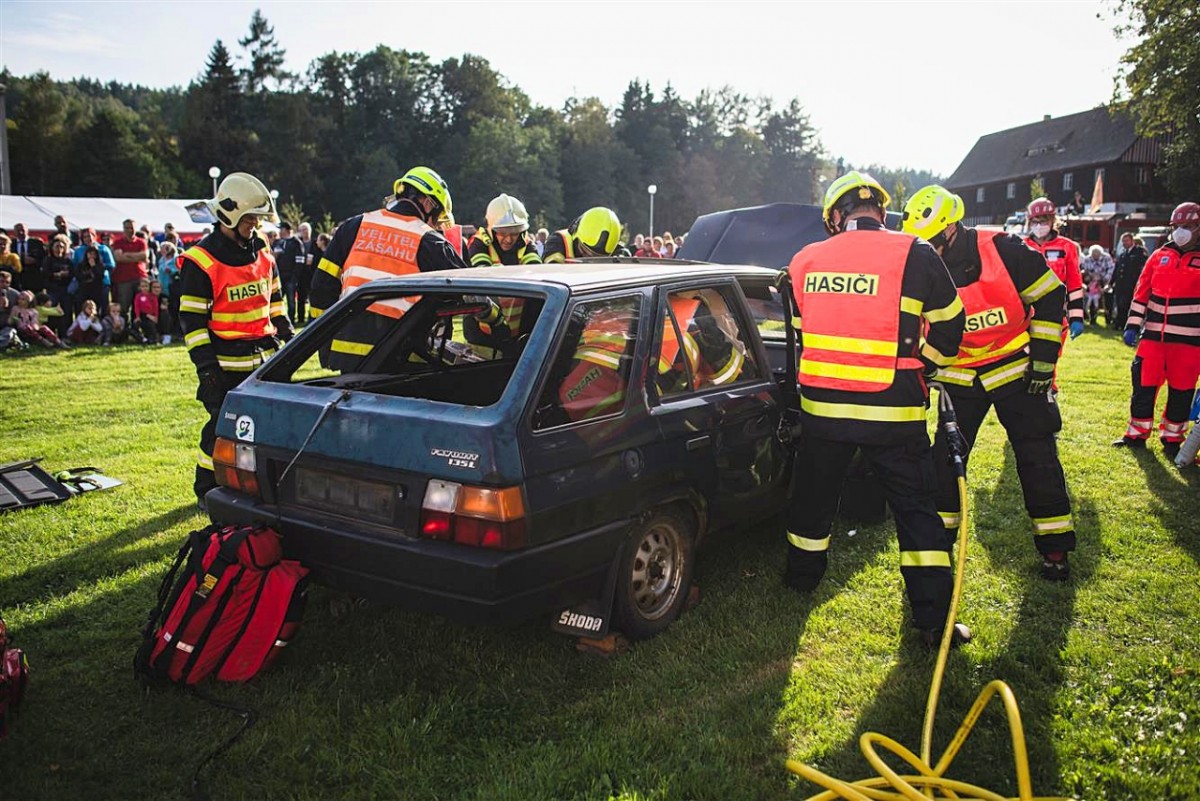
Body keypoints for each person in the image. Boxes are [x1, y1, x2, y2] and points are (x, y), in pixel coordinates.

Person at [784, 172, 968, 647]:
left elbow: (801, 333)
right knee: (914, 508)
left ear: (834, 217)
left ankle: (800, 581)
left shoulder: (805, 260)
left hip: (823, 411)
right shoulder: (915, 251)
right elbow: (951, 323)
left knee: (814, 498)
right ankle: (932, 618)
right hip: (894, 413)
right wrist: (924, 368)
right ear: (880, 213)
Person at [903, 185, 1075, 581]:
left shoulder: (1005, 248)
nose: (928, 249)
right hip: (958, 376)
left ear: (952, 229)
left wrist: (1044, 363)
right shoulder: (922, 262)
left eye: (933, 240)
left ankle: (1055, 550)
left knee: (1037, 457)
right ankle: (938, 547)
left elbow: (1050, 297)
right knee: (946, 463)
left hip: (1017, 371)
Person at [177, 172, 293, 510]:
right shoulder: (201, 262)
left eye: (258, 219)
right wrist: (207, 369)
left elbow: (275, 305)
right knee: (219, 431)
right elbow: (193, 323)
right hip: (225, 365)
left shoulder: (263, 254)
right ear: (229, 214)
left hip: (265, 361)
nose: (256, 225)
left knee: (264, 430)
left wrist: (290, 341)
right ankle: (205, 488)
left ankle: (251, 485)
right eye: (250, 218)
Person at [308, 166, 465, 366]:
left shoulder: (353, 226)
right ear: (427, 202)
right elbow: (464, 291)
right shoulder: (430, 242)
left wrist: (322, 340)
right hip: (397, 358)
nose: (435, 224)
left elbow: (321, 288)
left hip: (347, 353)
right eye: (437, 216)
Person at [1113, 202, 1200, 459]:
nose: (1181, 231)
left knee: (1181, 391)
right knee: (1142, 385)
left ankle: (1172, 438)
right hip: (1152, 338)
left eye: (1187, 226)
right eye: (1177, 227)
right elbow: (1141, 294)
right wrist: (1131, 325)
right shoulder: (1159, 255)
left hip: (1189, 342)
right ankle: (1136, 434)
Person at [1025, 198, 1085, 344]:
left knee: (1048, 360)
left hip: (1056, 313)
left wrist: (1076, 317)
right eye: (1035, 221)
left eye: (1043, 221)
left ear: (1052, 220)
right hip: (1025, 314)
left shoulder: (1066, 247)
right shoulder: (1021, 245)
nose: (1039, 226)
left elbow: (1074, 284)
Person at [542, 207, 628, 263]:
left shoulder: (613, 249)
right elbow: (551, 272)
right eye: (584, 251)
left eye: (596, 257)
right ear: (575, 235)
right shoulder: (558, 242)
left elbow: (624, 256)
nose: (589, 259)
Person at [111, 219, 150, 317]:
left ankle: (137, 328)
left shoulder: (141, 242)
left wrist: (126, 255)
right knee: (124, 307)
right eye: (127, 228)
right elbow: (119, 258)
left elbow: (144, 256)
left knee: (141, 306)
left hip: (139, 277)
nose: (129, 230)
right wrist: (136, 257)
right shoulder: (118, 242)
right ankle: (124, 329)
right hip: (123, 279)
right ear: (123, 229)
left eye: (131, 228)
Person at [1111, 233, 1148, 329]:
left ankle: (1125, 324)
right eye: (1123, 241)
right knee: (1119, 304)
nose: (1124, 243)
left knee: (1127, 304)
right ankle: (1119, 323)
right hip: (1121, 284)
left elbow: (1143, 268)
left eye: (1126, 240)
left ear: (1132, 241)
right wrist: (1111, 282)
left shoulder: (1139, 252)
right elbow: (1117, 269)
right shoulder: (1123, 254)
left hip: (1131, 284)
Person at [11, 223, 46, 292]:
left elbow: (44, 259)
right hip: (17, 278)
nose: (21, 232)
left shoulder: (37, 243)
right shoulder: (11, 244)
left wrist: (35, 261)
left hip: (34, 277)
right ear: (14, 232)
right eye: (18, 230)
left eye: (23, 230)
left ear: (27, 231)